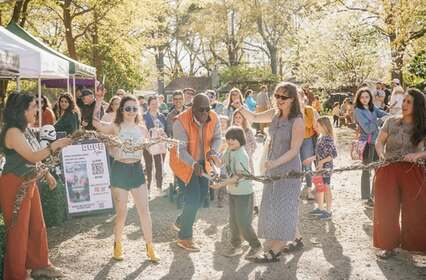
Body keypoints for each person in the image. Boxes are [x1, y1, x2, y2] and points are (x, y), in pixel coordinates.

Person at [0, 92, 72, 279]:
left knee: (36, 226)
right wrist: (54, 145)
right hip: (14, 184)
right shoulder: (13, 132)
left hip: (29, 181)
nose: (37, 110)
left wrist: (47, 174)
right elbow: (32, 157)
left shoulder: (26, 129)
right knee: (18, 232)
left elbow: (32, 156)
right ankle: (17, 275)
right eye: (33, 106)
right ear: (21, 110)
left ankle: (40, 265)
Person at [238, 82, 305, 263]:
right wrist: (239, 106)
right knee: (274, 205)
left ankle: (275, 252)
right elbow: (253, 117)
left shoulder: (298, 120)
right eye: (277, 96)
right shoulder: (274, 114)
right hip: (272, 167)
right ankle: (292, 239)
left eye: (284, 97)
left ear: (293, 99)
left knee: (285, 207)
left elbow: (294, 150)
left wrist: (275, 162)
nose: (279, 100)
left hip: (289, 169)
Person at [93, 95, 160, 263]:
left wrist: (157, 139)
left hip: (136, 170)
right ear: (121, 110)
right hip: (120, 170)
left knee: (144, 211)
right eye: (128, 108)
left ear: (138, 110)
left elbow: (151, 148)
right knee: (121, 212)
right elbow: (96, 123)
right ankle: (117, 244)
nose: (131, 112)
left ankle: (150, 247)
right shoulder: (116, 126)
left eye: (134, 108)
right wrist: (99, 101)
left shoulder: (143, 129)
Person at [374, 88, 426, 259]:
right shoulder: (391, 121)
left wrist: (417, 154)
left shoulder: (422, 126)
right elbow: (379, 142)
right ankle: (388, 246)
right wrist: (381, 155)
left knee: (417, 209)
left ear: (417, 106)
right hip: (388, 168)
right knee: (386, 208)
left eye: (409, 102)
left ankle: (416, 246)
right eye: (404, 100)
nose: (404, 104)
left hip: (413, 170)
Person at [170, 93, 222, 252]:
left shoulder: (213, 117)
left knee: (201, 198)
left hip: (203, 163)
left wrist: (213, 150)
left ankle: (181, 220)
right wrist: (193, 164)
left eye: (208, 109)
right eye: (202, 110)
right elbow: (181, 150)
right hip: (184, 164)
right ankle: (184, 238)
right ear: (192, 108)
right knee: (193, 199)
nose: (206, 113)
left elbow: (218, 137)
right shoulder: (180, 121)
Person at [210, 126, 262, 259]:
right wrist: (214, 157)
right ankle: (237, 246)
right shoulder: (229, 150)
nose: (230, 141)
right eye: (228, 139)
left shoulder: (241, 154)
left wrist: (221, 184)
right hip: (233, 192)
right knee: (233, 221)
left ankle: (256, 246)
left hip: (244, 193)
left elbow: (237, 177)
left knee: (243, 222)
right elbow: (221, 163)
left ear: (240, 139)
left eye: (233, 139)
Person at [354, 87, 388, 204]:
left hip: (377, 142)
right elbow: (368, 129)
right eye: (362, 97)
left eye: (367, 97)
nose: (364, 99)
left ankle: (374, 196)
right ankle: (366, 197)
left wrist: (392, 116)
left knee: (378, 170)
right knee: (366, 170)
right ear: (359, 98)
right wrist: (379, 121)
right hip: (367, 143)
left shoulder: (373, 108)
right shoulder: (358, 111)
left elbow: (385, 114)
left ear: (370, 98)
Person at [309, 117, 337, 220]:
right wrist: (311, 159)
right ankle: (320, 208)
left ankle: (328, 211)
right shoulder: (320, 137)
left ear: (324, 126)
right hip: (319, 167)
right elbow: (319, 153)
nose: (315, 127)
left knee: (326, 187)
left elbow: (332, 155)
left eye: (318, 125)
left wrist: (321, 162)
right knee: (319, 186)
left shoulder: (328, 138)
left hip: (326, 168)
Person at [143, 96, 167, 191]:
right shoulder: (144, 116)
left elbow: (165, 130)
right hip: (148, 145)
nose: (154, 106)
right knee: (148, 166)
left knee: (159, 165)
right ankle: (148, 188)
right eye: (152, 104)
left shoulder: (162, 116)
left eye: (156, 103)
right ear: (148, 105)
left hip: (159, 145)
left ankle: (159, 187)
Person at [166, 91, 186, 208]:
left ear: (183, 100)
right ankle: (179, 189)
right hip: (175, 145)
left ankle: (188, 190)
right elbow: (169, 131)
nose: (178, 101)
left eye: (180, 99)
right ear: (173, 101)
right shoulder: (170, 115)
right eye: (176, 99)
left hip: (188, 145)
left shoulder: (189, 112)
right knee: (177, 168)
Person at [299, 89, 317, 194]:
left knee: (307, 164)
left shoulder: (309, 110)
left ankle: (309, 187)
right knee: (297, 164)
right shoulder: (290, 111)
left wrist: (301, 110)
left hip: (307, 139)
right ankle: (298, 187)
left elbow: (309, 125)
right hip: (295, 140)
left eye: (299, 97)